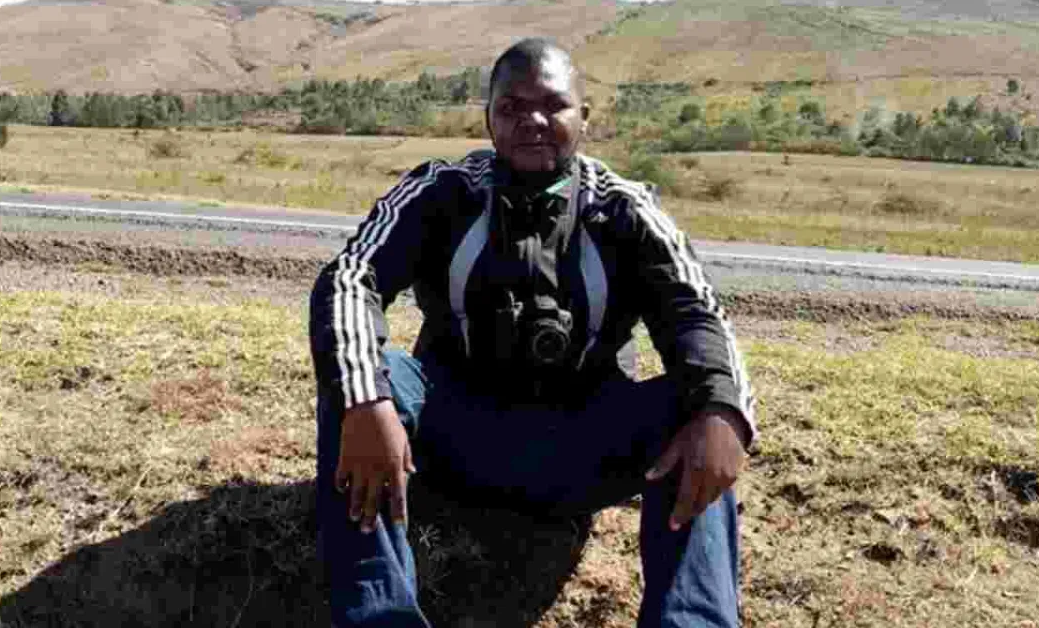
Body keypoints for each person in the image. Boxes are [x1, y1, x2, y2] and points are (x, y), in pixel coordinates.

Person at [308, 38, 756, 628]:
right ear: (488, 119)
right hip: (451, 438)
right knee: (364, 378)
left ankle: (691, 620)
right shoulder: (444, 191)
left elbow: (696, 314)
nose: (533, 121)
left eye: (553, 105)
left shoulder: (624, 210)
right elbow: (350, 279)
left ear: (584, 117)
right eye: (512, 107)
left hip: (583, 445)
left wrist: (724, 412)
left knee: (697, 407)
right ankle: (380, 615)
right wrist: (365, 401)